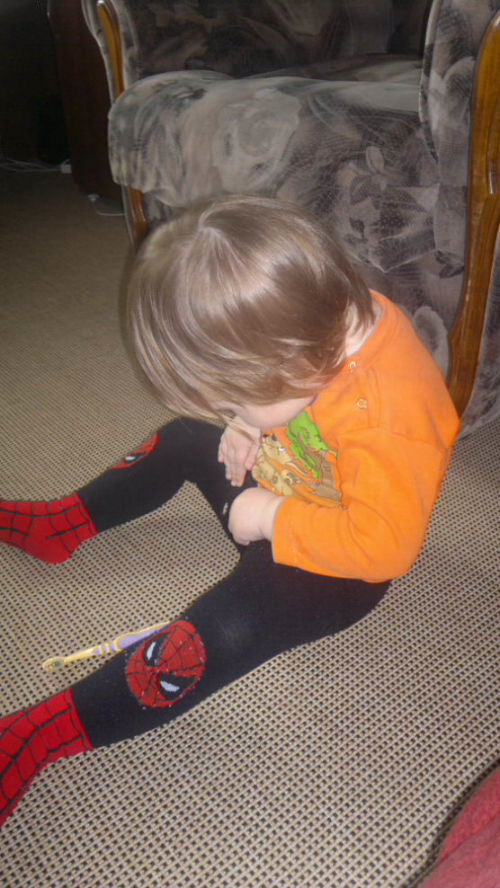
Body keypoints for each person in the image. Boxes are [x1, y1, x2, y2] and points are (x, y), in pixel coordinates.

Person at [0, 195, 460, 827]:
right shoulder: (315, 329)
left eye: (237, 400)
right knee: (191, 435)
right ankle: (62, 525)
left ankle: (36, 736)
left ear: (291, 364)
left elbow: (386, 548)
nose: (230, 412)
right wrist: (250, 426)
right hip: (284, 479)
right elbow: (277, 401)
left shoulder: (389, 417)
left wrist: (270, 518)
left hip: (343, 558)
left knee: (228, 622)